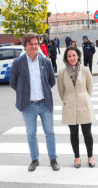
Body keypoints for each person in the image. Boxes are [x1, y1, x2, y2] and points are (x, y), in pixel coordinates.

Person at [10, 32, 60, 172]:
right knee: (31, 133)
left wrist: (41, 91)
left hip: (45, 103)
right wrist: (25, 94)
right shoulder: (18, 63)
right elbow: (13, 83)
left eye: (36, 44)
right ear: (25, 45)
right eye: (30, 44)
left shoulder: (46, 61)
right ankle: (34, 159)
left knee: (50, 132)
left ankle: (53, 159)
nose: (34, 46)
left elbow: (51, 81)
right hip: (28, 104)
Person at [57, 46, 96, 168]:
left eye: (74, 55)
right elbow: (61, 92)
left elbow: (90, 89)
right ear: (66, 58)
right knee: (73, 134)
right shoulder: (62, 73)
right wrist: (70, 99)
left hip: (84, 104)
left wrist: (81, 97)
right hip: (70, 106)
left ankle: (90, 156)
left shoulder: (85, 70)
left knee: (87, 133)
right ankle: (77, 157)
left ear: (78, 56)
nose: (72, 58)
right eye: (69, 56)